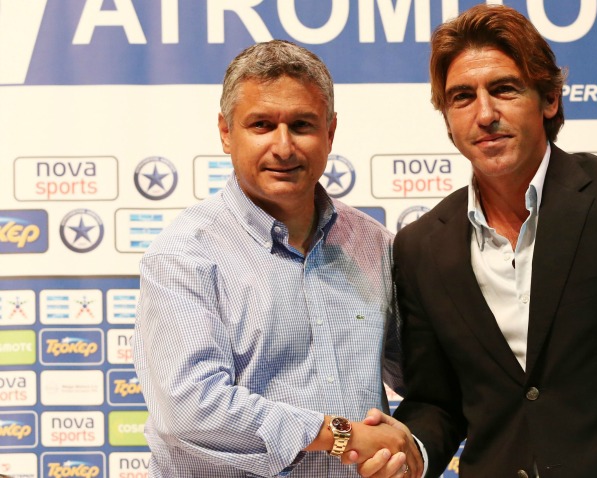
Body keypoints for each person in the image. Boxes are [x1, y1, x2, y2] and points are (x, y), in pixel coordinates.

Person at [359, 5, 597, 478]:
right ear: (447, 117)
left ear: (549, 99)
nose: (485, 114)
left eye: (504, 89)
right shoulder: (421, 247)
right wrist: (411, 451)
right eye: (462, 97)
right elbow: (439, 401)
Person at [132, 40, 420, 477]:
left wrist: (408, 449)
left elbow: (425, 380)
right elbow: (189, 406)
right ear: (226, 132)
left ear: (330, 133)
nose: (283, 147)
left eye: (302, 125)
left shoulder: (373, 244)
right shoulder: (184, 254)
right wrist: (336, 433)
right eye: (262, 125)